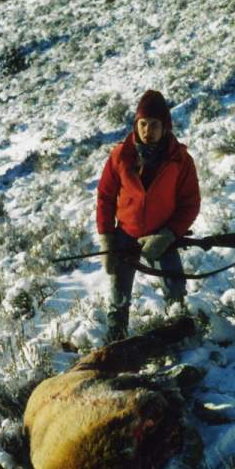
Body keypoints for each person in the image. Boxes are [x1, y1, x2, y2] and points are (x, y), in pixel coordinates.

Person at [96, 89, 200, 342]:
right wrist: (107, 239)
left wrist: (168, 234)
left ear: (165, 127)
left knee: (175, 288)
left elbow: (190, 203)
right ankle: (116, 339)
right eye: (143, 124)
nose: (147, 130)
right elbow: (105, 197)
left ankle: (178, 333)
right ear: (136, 125)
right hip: (126, 233)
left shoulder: (180, 160)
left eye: (154, 124)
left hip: (162, 235)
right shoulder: (120, 155)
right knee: (118, 295)